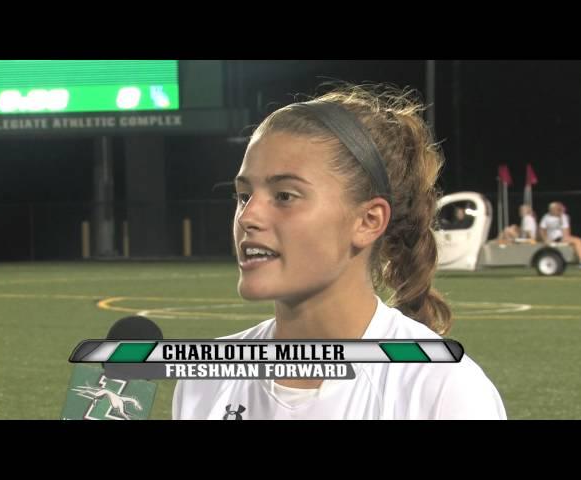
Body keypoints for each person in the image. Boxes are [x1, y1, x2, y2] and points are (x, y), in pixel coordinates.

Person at [172, 84, 506, 420]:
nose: (248, 217)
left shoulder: (442, 390)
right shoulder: (207, 380)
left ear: (367, 221)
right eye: (244, 196)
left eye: (285, 196)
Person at [539, 201, 581, 267]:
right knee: (579, 241)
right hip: (555, 238)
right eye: (553, 209)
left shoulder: (563, 217)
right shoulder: (546, 217)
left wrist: (562, 217)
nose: (555, 210)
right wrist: (545, 239)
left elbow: (566, 231)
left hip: (561, 237)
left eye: (557, 208)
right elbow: (541, 229)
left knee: (576, 244)